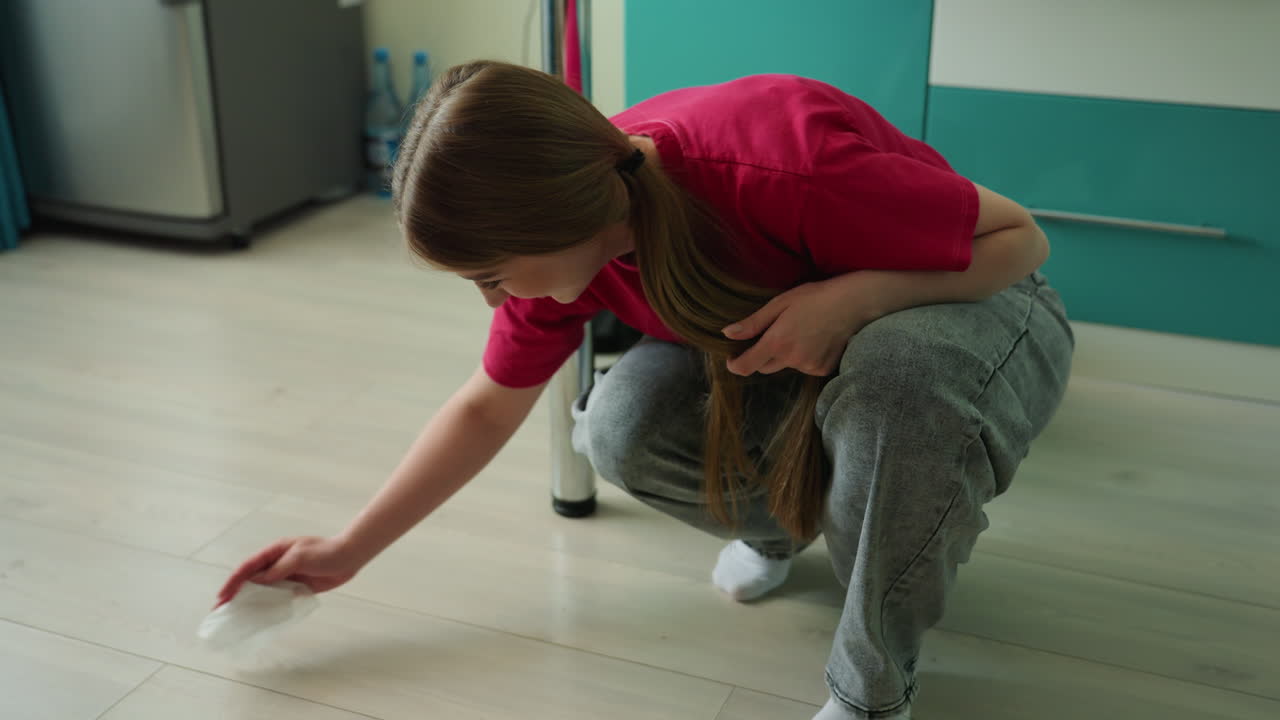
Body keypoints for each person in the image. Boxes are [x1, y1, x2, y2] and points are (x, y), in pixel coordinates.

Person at [216, 60, 1074, 720]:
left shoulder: (775, 166)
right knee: (617, 426)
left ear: (547, 224)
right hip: (787, 336)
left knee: (895, 375)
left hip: (970, 298)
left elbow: (1019, 241)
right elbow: (486, 405)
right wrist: (347, 552)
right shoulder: (580, 238)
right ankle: (794, 526)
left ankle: (870, 689)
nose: (491, 300)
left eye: (489, 275)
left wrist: (856, 298)